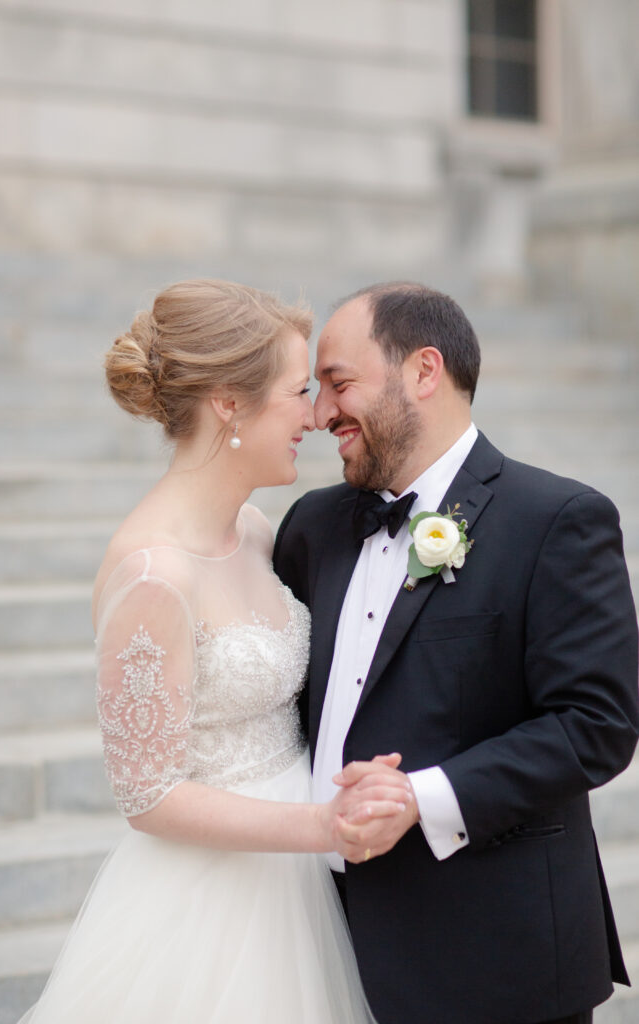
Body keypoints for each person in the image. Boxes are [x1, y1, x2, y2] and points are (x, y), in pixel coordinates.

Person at [19, 279, 409, 1024]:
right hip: (211, 907)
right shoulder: (153, 576)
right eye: (297, 391)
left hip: (298, 887)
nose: (316, 415)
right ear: (228, 403)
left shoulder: (258, 531)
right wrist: (322, 827)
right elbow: (148, 795)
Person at [273, 282, 639, 1024]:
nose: (319, 415)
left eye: (339, 384)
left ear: (423, 371)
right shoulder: (311, 525)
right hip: (318, 946)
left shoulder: (558, 520)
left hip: (495, 958)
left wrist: (419, 798)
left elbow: (595, 724)